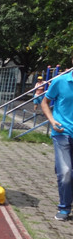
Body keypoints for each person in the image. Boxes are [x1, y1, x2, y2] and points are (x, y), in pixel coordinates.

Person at [41, 55, 73, 221]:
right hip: (62, 132)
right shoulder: (61, 81)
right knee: (66, 173)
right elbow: (45, 102)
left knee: (68, 172)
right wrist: (52, 120)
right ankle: (64, 208)